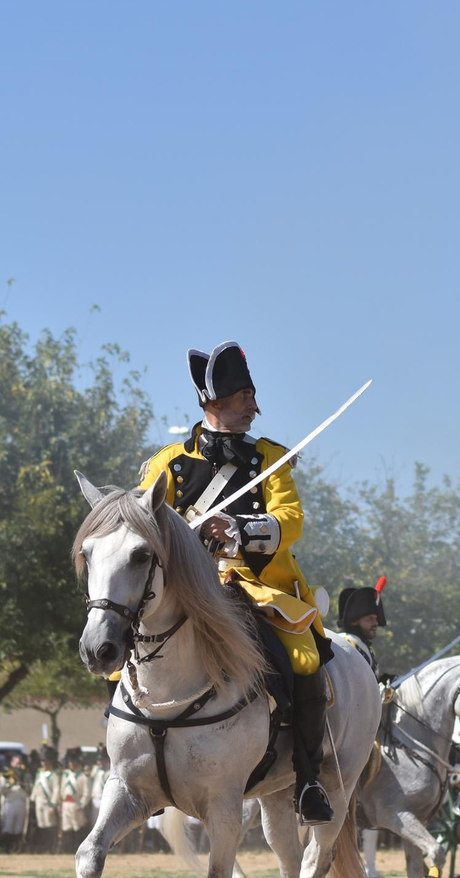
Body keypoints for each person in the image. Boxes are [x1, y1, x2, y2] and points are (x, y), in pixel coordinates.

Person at [136, 341, 335, 825]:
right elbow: (143, 523)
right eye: (245, 396)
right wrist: (190, 532)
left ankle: (307, 777)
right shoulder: (168, 464)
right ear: (215, 403)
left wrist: (242, 530)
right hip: (188, 588)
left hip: (254, 587)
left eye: (251, 395)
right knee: (124, 648)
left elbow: (291, 521)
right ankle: (132, 755)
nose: (254, 406)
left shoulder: (270, 460)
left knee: (304, 659)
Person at [334, 579, 388, 878]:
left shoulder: (362, 648)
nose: (375, 624)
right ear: (355, 619)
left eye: (376, 620)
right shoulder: (351, 646)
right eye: (371, 619)